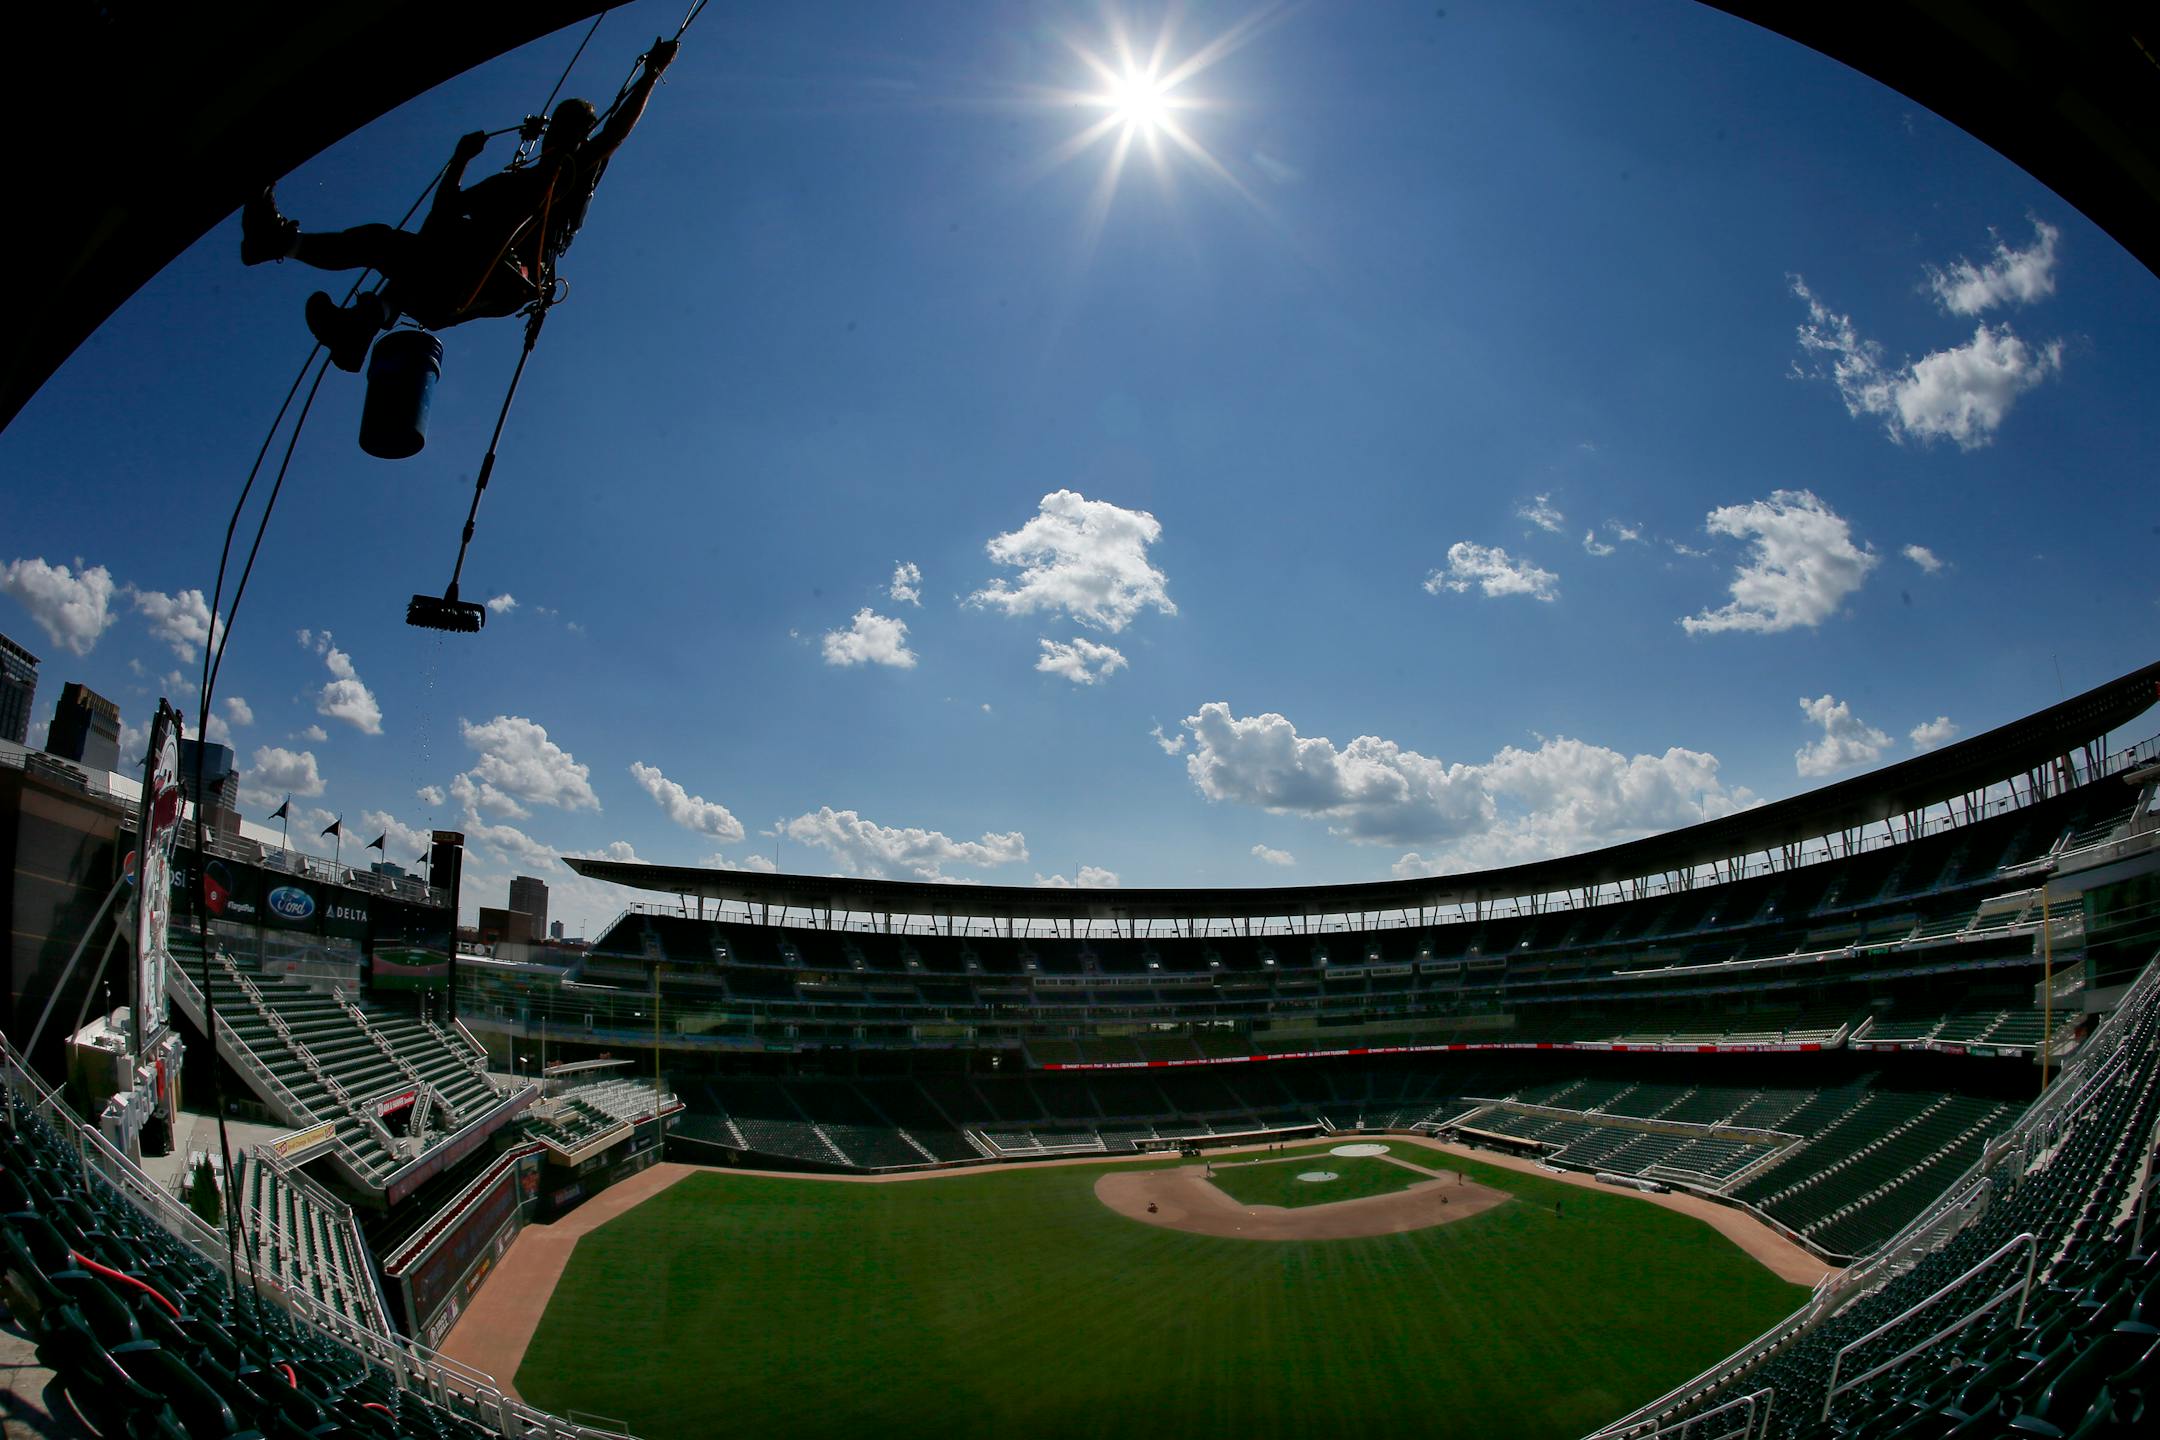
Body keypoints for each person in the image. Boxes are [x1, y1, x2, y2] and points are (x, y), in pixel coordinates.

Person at [243, 38, 678, 370]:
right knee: (381, 241)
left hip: (492, 277)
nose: (562, 140)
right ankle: (295, 261)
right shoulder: (512, 183)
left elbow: (614, 134)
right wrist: (460, 162)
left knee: (431, 246)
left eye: (572, 132)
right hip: (452, 279)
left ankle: (349, 306)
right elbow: (442, 213)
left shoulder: (571, 175)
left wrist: (650, 74)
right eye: (559, 131)